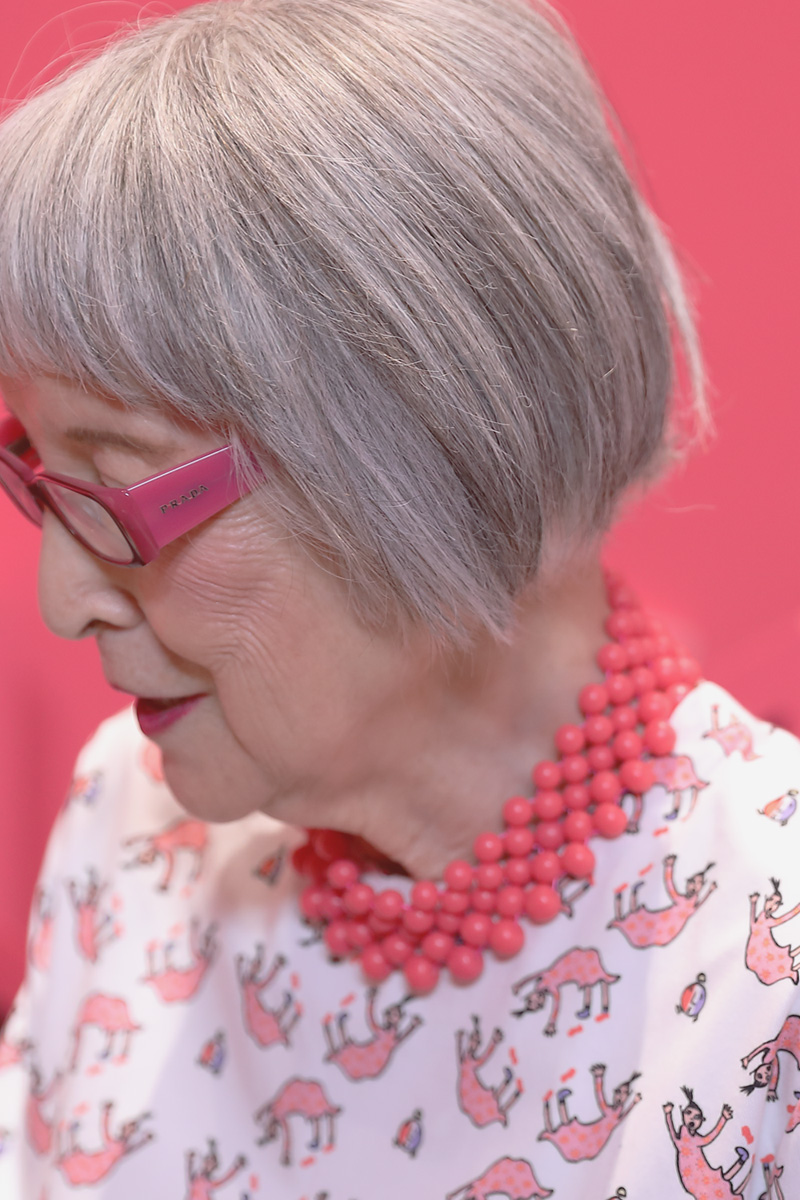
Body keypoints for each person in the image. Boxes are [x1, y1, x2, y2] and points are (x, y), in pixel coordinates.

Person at [0, 0, 796, 1196]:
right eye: (33, 465)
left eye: (115, 487)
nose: (64, 599)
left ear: (433, 446)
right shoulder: (130, 822)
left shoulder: (765, 959)